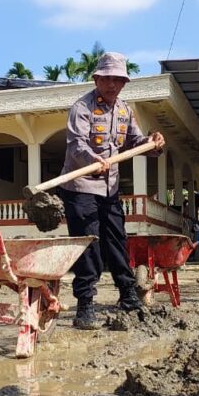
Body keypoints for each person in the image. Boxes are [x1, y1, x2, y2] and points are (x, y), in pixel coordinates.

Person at [59, 52, 166, 329]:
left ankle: (128, 294)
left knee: (117, 240)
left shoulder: (124, 110)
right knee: (89, 244)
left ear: (124, 83)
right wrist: (93, 161)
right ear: (97, 79)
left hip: (110, 189)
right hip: (81, 187)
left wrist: (152, 142)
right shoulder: (82, 107)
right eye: (107, 79)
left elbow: (135, 141)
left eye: (118, 80)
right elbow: (77, 144)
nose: (112, 85)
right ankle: (85, 305)